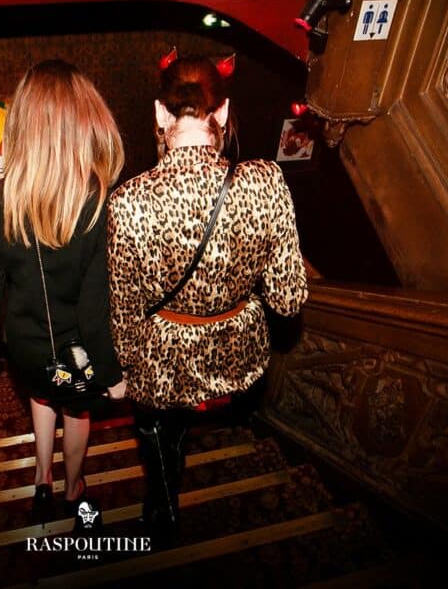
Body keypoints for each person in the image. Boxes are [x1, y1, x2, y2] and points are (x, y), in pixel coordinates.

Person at [107, 52, 308, 546]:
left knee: (158, 425)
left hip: (165, 362)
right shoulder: (266, 182)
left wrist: (124, 373)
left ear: (159, 115)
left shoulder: (128, 202)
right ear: (221, 114)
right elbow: (288, 300)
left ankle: (163, 508)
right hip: (238, 358)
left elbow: (125, 313)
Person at [0, 59, 127, 526]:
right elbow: (94, 310)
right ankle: (74, 488)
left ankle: (41, 478)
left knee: (41, 397)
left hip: (27, 347)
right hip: (80, 353)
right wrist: (113, 375)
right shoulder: (98, 201)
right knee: (76, 411)